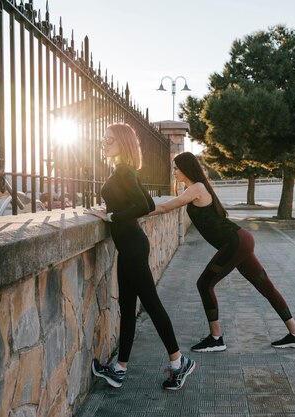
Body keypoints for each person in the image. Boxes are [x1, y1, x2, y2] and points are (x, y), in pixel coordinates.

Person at [150, 152, 295, 352]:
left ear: (187, 168)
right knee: (265, 286)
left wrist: (131, 212)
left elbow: (164, 207)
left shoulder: (196, 187)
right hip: (240, 240)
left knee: (204, 284)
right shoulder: (197, 188)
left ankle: (216, 338)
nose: (174, 172)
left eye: (176, 168)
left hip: (236, 242)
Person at [88, 124, 195, 390]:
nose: (104, 144)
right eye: (103, 140)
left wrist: (112, 216)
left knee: (152, 305)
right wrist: (111, 209)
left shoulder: (124, 171)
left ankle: (178, 363)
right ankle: (120, 369)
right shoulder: (122, 170)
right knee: (128, 308)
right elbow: (135, 201)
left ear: (121, 143)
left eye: (109, 140)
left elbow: (145, 205)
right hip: (129, 247)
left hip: (134, 247)